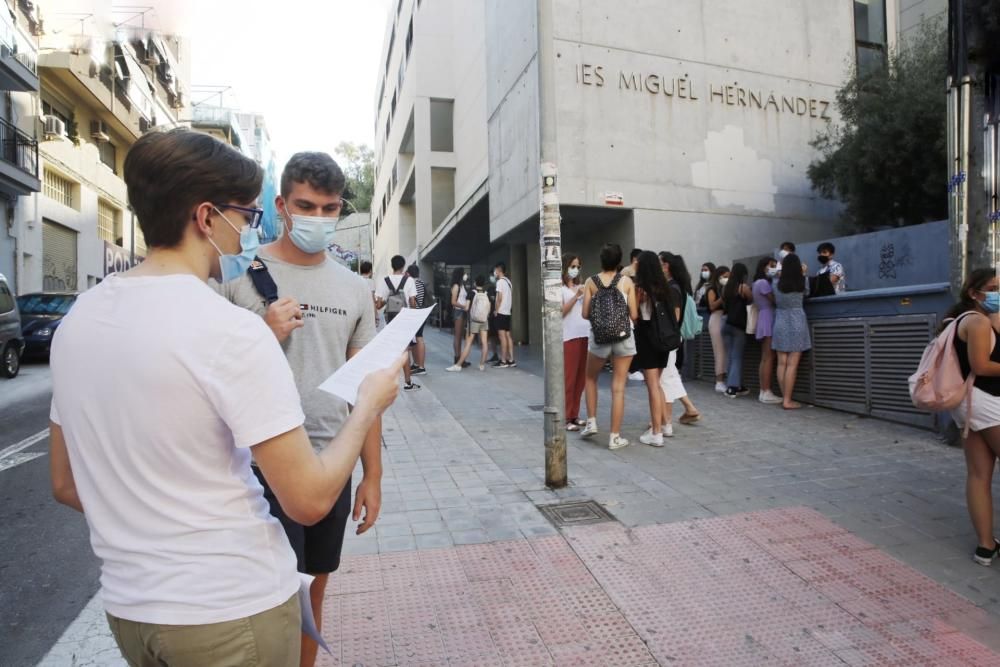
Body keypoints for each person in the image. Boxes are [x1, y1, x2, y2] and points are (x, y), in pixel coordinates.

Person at [48, 128, 404, 666]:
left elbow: (67, 483)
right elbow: (306, 499)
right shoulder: (229, 327)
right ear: (206, 216)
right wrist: (371, 403)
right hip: (232, 607)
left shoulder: (78, 321)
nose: (246, 231)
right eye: (245, 214)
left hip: (133, 609)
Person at [219, 151, 384, 667]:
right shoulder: (235, 276)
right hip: (257, 468)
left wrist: (372, 475)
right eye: (305, 206)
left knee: (312, 595)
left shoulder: (355, 288)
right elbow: (206, 373)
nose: (317, 217)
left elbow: (368, 390)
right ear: (281, 205)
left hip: (330, 465)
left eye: (329, 208)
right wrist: (263, 334)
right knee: (268, 603)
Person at [949, 268, 1000, 565]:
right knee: (979, 475)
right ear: (974, 293)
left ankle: (985, 546)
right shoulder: (977, 322)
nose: (996, 293)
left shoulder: (966, 318)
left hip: (969, 404)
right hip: (987, 401)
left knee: (979, 475)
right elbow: (981, 366)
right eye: (992, 288)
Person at [580, 243, 639, 450]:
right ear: (619, 260)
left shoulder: (591, 281)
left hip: (599, 338)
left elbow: (585, 314)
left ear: (601, 260)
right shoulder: (626, 282)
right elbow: (634, 315)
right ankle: (615, 437)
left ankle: (591, 422)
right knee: (618, 387)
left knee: (590, 378)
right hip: (623, 338)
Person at [631, 251, 678, 447]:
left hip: (647, 339)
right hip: (664, 340)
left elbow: (634, 316)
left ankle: (656, 433)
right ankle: (665, 425)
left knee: (652, 386)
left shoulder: (640, 289)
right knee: (657, 384)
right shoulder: (666, 288)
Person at [660, 252, 701, 428]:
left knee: (666, 377)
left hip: (669, 338)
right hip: (674, 338)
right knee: (670, 375)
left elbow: (674, 317)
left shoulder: (672, 288)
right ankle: (686, 409)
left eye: (659, 263)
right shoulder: (678, 286)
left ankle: (666, 420)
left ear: (666, 266)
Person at [772, 253, 812, 409]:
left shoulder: (776, 283)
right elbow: (807, 293)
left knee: (781, 363)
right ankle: (788, 401)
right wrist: (804, 273)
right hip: (797, 320)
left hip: (780, 320)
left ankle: (784, 398)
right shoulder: (803, 281)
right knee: (792, 364)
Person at [376, 255, 420, 390]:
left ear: (392, 265)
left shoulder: (385, 281)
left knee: (391, 351)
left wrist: (388, 300)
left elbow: (378, 304)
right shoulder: (409, 280)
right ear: (403, 266)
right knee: (404, 350)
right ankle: (407, 382)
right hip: (405, 319)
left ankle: (387, 382)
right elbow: (412, 302)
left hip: (390, 318)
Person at [561, 254, 589, 431]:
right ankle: (566, 416)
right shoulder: (559, 288)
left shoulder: (581, 286)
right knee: (570, 377)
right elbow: (560, 312)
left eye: (578, 266)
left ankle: (575, 414)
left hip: (585, 333)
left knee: (581, 379)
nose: (575, 270)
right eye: (572, 266)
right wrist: (575, 296)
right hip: (569, 336)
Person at [752, 257, 783, 404]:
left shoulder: (756, 283)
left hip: (763, 317)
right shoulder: (764, 283)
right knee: (769, 357)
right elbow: (775, 300)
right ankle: (766, 390)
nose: (774, 268)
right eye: (772, 265)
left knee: (765, 357)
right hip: (768, 317)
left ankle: (763, 390)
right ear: (764, 266)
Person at [447, 275, 491, 372]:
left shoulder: (471, 293)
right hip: (484, 320)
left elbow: (466, 308)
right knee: (484, 342)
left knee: (468, 343)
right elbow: (489, 308)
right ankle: (482, 365)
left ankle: (458, 365)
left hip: (474, 321)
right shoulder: (486, 293)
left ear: (475, 283)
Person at [721, 262, 752, 397]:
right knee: (737, 357)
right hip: (738, 326)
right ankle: (732, 387)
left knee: (731, 356)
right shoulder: (743, 287)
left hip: (726, 324)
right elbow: (751, 300)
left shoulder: (726, 288)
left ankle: (735, 384)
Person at [706, 265, 730, 392]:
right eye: (725, 276)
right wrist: (723, 297)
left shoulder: (726, 288)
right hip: (716, 318)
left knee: (726, 351)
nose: (727, 279)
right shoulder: (712, 289)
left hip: (725, 319)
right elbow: (712, 306)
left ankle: (725, 378)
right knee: (719, 350)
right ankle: (719, 381)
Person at [493, 262, 516, 368]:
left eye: (495, 270)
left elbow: (499, 298)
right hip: (507, 312)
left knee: (502, 337)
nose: (495, 272)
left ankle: (503, 361)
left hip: (501, 312)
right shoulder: (508, 281)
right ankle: (511, 359)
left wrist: (496, 310)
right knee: (508, 336)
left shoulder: (500, 282)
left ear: (498, 270)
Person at [407, 264, 429, 376]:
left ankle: (421, 367)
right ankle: (416, 364)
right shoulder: (420, 282)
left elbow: (413, 300)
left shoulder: (412, 283)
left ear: (409, 273)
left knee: (419, 338)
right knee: (416, 338)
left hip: (416, 314)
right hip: (420, 312)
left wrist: (412, 312)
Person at [450, 267, 470, 366]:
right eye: (464, 273)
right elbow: (453, 302)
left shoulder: (462, 285)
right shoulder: (456, 286)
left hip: (462, 312)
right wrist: (464, 306)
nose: (465, 275)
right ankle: (457, 358)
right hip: (458, 312)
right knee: (457, 336)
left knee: (460, 336)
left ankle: (460, 358)